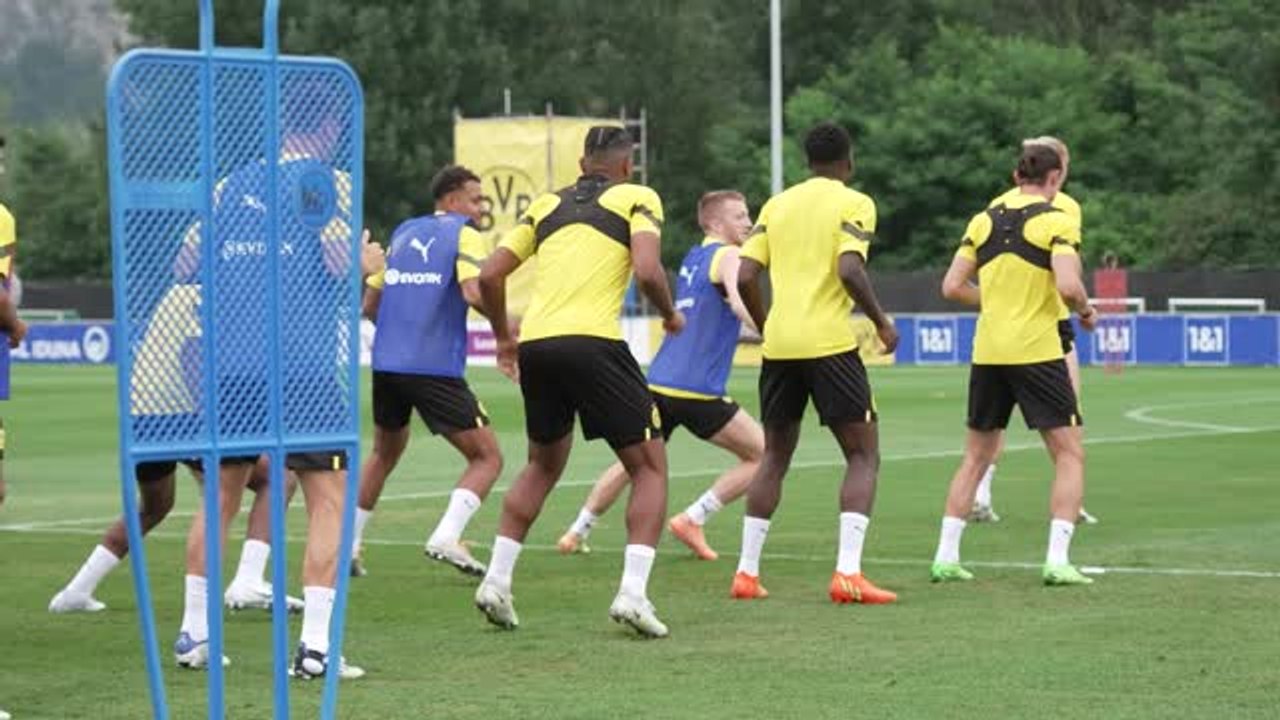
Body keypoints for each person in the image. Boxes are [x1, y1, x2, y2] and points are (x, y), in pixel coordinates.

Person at [163, 93, 377, 678]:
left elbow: (185, 265)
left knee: (219, 497)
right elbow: (337, 264)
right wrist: (366, 262)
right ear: (330, 126)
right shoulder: (324, 180)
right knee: (329, 497)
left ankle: (195, 634)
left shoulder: (229, 185)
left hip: (231, 363)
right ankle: (315, 650)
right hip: (300, 365)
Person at [473, 126, 683, 637]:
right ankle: (632, 594)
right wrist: (669, 314)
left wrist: (503, 339)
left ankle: (496, 581)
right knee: (649, 466)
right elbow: (648, 269)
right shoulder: (637, 197)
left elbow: (489, 275)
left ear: (583, 163)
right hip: (593, 342)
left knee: (542, 464)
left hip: (538, 345)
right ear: (626, 165)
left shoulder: (546, 205)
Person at [730, 121, 899, 605]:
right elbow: (849, 268)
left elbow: (746, 275)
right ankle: (848, 573)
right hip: (828, 344)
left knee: (774, 456)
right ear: (849, 162)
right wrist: (881, 322)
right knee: (863, 456)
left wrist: (768, 324)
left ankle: (746, 574)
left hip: (780, 347)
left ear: (807, 161)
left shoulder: (777, 205)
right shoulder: (855, 202)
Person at [557, 190, 764, 560]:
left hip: (658, 382)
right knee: (763, 455)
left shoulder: (694, 259)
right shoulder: (731, 255)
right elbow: (738, 303)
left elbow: (709, 319)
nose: (748, 223)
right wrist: (773, 332)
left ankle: (576, 530)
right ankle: (693, 518)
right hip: (697, 389)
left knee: (632, 462)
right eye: (740, 216)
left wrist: (750, 335)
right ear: (715, 223)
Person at [931, 142, 1097, 587]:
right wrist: (1085, 310)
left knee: (975, 456)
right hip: (1036, 350)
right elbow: (1068, 286)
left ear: (1016, 175)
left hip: (988, 351)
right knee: (1069, 454)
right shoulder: (1057, 220)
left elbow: (952, 286)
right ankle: (1057, 561)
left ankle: (946, 557)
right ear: (1055, 178)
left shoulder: (982, 220)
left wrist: (997, 300)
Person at [349, 164, 502, 578]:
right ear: (451, 200)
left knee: (384, 452)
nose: (480, 208)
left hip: (387, 363)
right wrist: (505, 326)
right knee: (487, 457)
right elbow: (473, 292)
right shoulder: (464, 233)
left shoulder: (404, 232)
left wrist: (402, 334)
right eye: (475, 199)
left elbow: (370, 305)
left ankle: (348, 545)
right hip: (433, 365)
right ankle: (447, 536)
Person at [968, 136, 1098, 526]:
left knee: (991, 422)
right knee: (1067, 419)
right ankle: (1070, 503)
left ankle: (981, 492)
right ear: (1059, 169)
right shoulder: (1065, 207)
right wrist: (1085, 309)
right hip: (1047, 322)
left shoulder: (997, 204)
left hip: (997, 327)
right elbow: (1067, 272)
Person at [49, 456, 303, 614]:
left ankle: (76, 592)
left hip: (145, 422)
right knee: (278, 477)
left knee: (154, 507)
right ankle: (248, 581)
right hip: (186, 418)